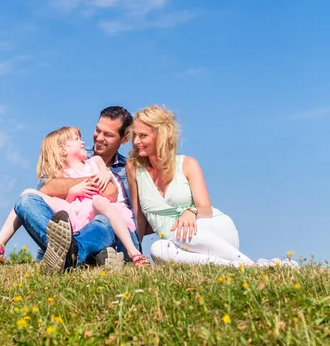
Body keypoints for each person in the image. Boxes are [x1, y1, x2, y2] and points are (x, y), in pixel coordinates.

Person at [127, 105, 297, 267]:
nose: (136, 141)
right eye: (134, 135)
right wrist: (134, 253)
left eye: (143, 136)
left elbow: (205, 208)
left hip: (211, 229)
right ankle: (247, 267)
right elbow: (139, 218)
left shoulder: (187, 164)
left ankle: (249, 264)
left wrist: (190, 212)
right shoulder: (134, 168)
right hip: (178, 241)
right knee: (158, 249)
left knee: (179, 235)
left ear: (160, 135)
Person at [0, 126, 149, 268]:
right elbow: (68, 210)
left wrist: (104, 177)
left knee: (100, 207)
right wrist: (72, 192)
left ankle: (82, 253)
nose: (84, 142)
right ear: (62, 150)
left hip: (102, 221)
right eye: (77, 139)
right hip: (76, 224)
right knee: (26, 196)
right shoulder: (58, 174)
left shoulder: (95, 161)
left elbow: (110, 192)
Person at [15, 106, 140, 272]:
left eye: (108, 135)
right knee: (26, 200)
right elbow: (46, 187)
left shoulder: (129, 168)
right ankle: (78, 254)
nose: (99, 138)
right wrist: (83, 183)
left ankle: (72, 253)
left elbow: (110, 194)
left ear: (124, 139)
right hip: (77, 225)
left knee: (104, 218)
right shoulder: (74, 153)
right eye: (98, 130)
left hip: (115, 231)